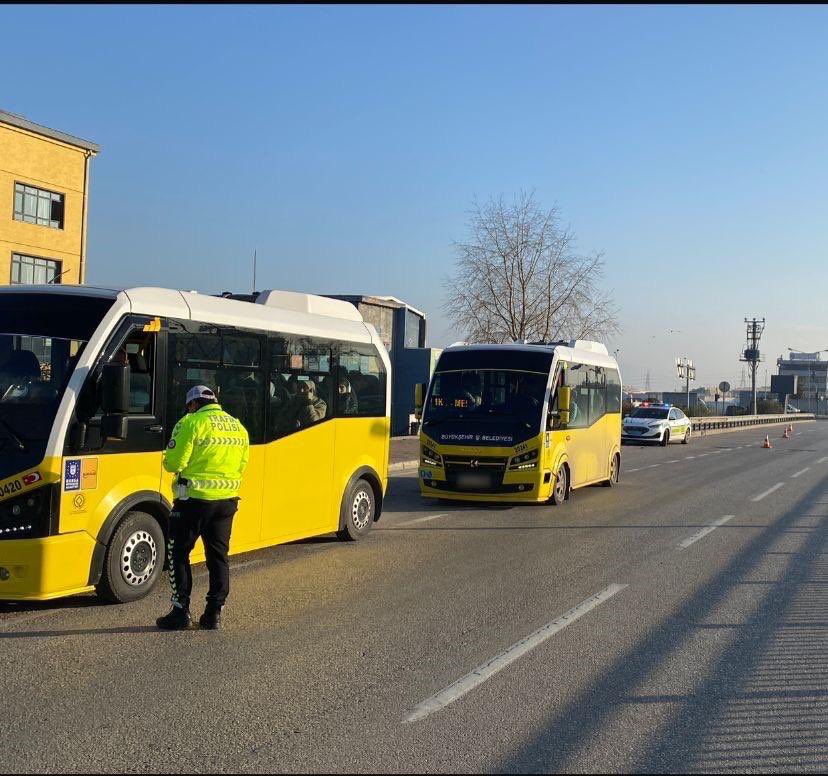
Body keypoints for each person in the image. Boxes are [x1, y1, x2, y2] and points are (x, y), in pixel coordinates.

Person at [156, 385, 250, 631]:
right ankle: (213, 614)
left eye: (189, 406)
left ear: (193, 404)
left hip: (193, 501)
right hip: (227, 501)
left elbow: (174, 463)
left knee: (178, 553)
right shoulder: (238, 426)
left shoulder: (191, 422)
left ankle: (180, 611)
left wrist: (169, 457)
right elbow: (242, 464)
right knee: (218, 557)